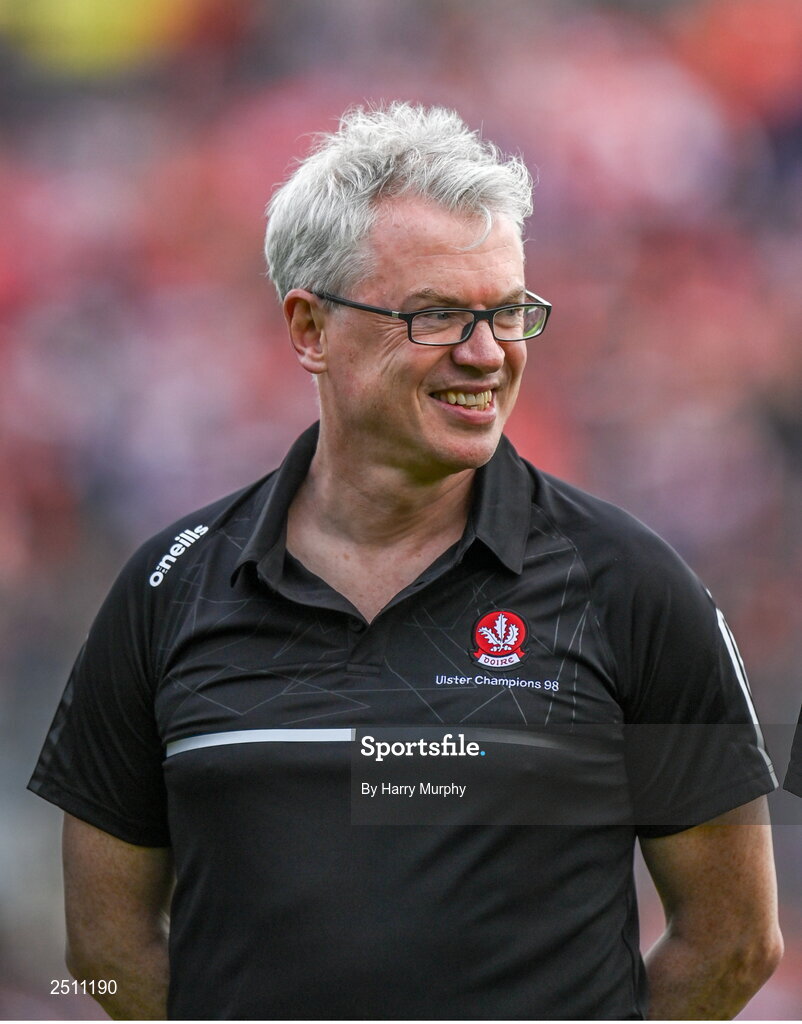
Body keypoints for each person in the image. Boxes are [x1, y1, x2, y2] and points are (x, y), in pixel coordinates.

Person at [30, 102, 782, 1020]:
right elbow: (100, 953)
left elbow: (737, 939)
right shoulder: (166, 588)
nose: (485, 354)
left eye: (507, 312)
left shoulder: (631, 583)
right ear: (309, 329)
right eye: (434, 317)